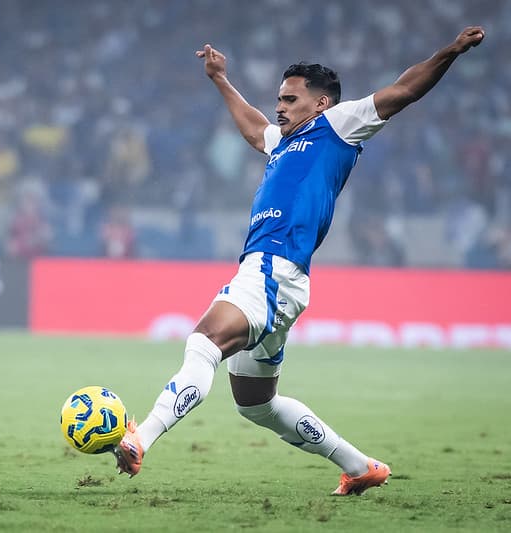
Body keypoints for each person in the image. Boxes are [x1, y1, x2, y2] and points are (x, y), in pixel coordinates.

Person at [112, 27, 485, 496]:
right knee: (256, 406)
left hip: (272, 270)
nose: (279, 106)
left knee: (204, 341)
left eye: (289, 98)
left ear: (321, 103)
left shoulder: (340, 125)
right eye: (279, 99)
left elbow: (404, 90)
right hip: (279, 279)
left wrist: (450, 50)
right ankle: (361, 466)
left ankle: (140, 438)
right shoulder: (281, 141)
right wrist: (220, 79)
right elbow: (252, 128)